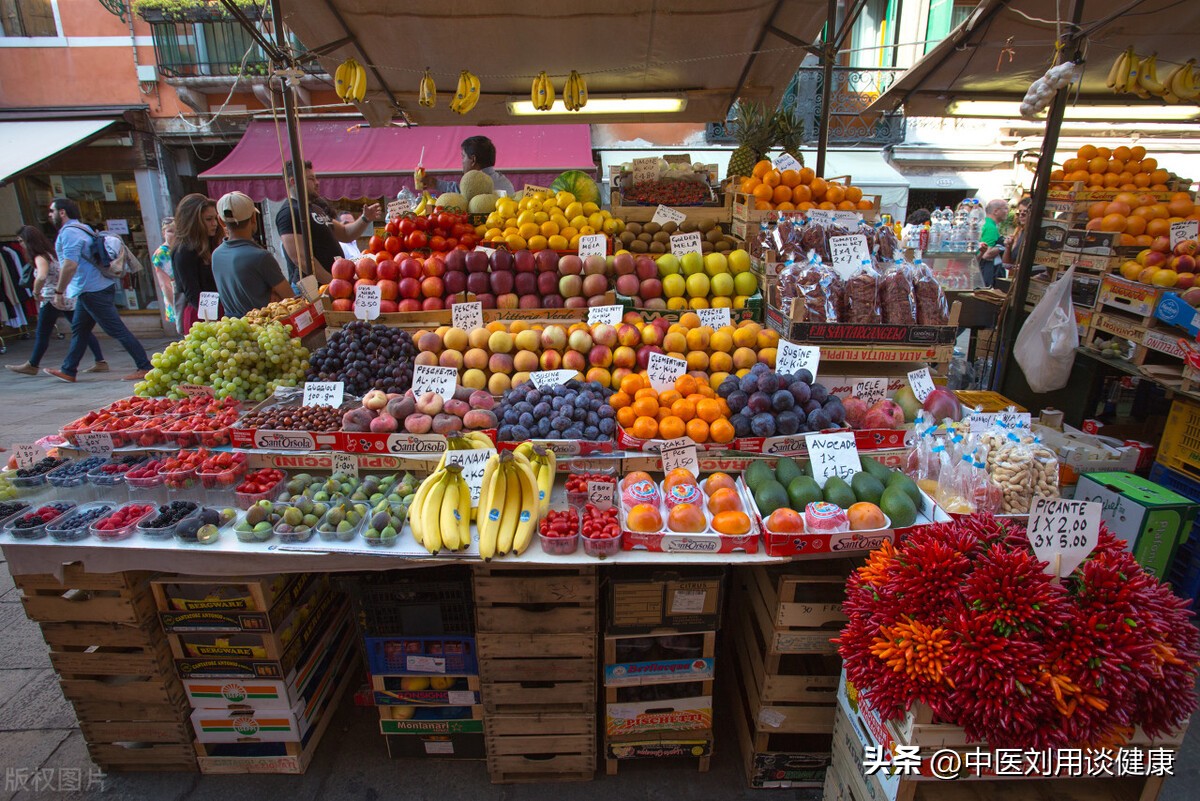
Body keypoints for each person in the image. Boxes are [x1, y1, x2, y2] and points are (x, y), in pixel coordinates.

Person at [41, 197, 152, 383]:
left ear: (62, 212)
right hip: (94, 287)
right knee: (80, 329)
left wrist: (59, 292)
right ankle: (69, 369)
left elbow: (69, 265)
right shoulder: (83, 228)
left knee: (115, 329)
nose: (49, 215)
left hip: (92, 288)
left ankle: (144, 365)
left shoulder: (69, 233)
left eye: (52, 211)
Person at [6, 225, 107, 376]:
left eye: (21, 241)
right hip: (65, 296)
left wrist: (35, 291)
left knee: (43, 332)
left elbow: (41, 276)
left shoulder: (40, 257)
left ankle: (33, 364)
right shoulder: (52, 254)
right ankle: (100, 361)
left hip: (50, 297)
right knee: (81, 329)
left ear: (29, 241)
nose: (20, 244)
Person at [276, 160, 381, 287]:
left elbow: (345, 233)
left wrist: (365, 218)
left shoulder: (316, 208)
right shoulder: (288, 213)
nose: (317, 183)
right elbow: (300, 259)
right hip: (316, 289)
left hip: (335, 283)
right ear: (293, 181)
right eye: (311, 179)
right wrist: (332, 282)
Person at [211, 192, 295, 318]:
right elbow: (290, 298)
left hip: (232, 328)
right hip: (263, 328)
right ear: (253, 218)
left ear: (221, 222)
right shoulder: (260, 257)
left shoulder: (216, 255)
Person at [173, 194, 224, 333]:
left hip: (219, 312)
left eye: (215, 218)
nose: (214, 223)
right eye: (208, 219)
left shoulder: (213, 245)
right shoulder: (184, 252)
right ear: (193, 221)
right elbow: (193, 293)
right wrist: (212, 321)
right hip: (201, 316)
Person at [414, 135, 515, 197]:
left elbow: (464, 193)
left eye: (463, 157)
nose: (462, 162)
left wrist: (436, 184)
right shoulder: (505, 181)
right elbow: (461, 190)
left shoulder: (477, 186)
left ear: (473, 160)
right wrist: (436, 183)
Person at [150, 216, 179, 332]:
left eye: (177, 231)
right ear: (163, 233)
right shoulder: (161, 254)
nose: (174, 235)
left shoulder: (179, 249)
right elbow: (164, 285)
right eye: (170, 231)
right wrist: (175, 307)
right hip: (175, 298)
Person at [978, 199, 1009, 287]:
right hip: (984, 272)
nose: (1008, 212)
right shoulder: (991, 228)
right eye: (1005, 208)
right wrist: (1002, 246)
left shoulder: (983, 223)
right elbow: (986, 254)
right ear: (996, 211)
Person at [1003, 196, 1033, 269]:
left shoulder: (1034, 234)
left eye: (1025, 212)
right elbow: (1007, 264)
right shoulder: (1019, 231)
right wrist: (1008, 247)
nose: (1021, 215)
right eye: (1019, 212)